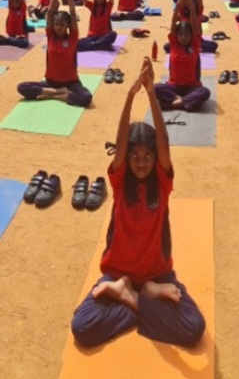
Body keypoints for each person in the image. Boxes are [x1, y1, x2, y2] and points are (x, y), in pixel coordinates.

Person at [71, 57, 205, 349]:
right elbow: (121, 144)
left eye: (147, 156)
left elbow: (164, 145)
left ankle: (133, 296)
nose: (141, 162)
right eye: (134, 156)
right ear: (125, 157)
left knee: (194, 328)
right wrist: (131, 96)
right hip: (117, 273)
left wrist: (152, 95)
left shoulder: (162, 182)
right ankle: (143, 297)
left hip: (159, 274)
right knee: (82, 326)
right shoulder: (120, 183)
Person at [17, 0, 92, 108]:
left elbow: (73, 14)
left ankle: (53, 95)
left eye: (62, 25)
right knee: (22, 87)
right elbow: (51, 12)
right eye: (56, 24)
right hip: (51, 83)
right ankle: (57, 93)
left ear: (68, 25)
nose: (58, 27)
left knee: (86, 97)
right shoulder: (51, 36)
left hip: (71, 84)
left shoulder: (72, 38)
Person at [154, 0, 211, 112]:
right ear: (177, 35)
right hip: (174, 86)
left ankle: (173, 104)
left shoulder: (195, 45)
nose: (183, 37)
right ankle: (184, 101)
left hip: (192, 86)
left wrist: (191, 6)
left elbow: (195, 25)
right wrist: (178, 3)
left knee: (205, 92)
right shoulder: (174, 44)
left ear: (191, 36)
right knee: (155, 88)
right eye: (180, 34)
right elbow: (173, 22)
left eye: (186, 35)